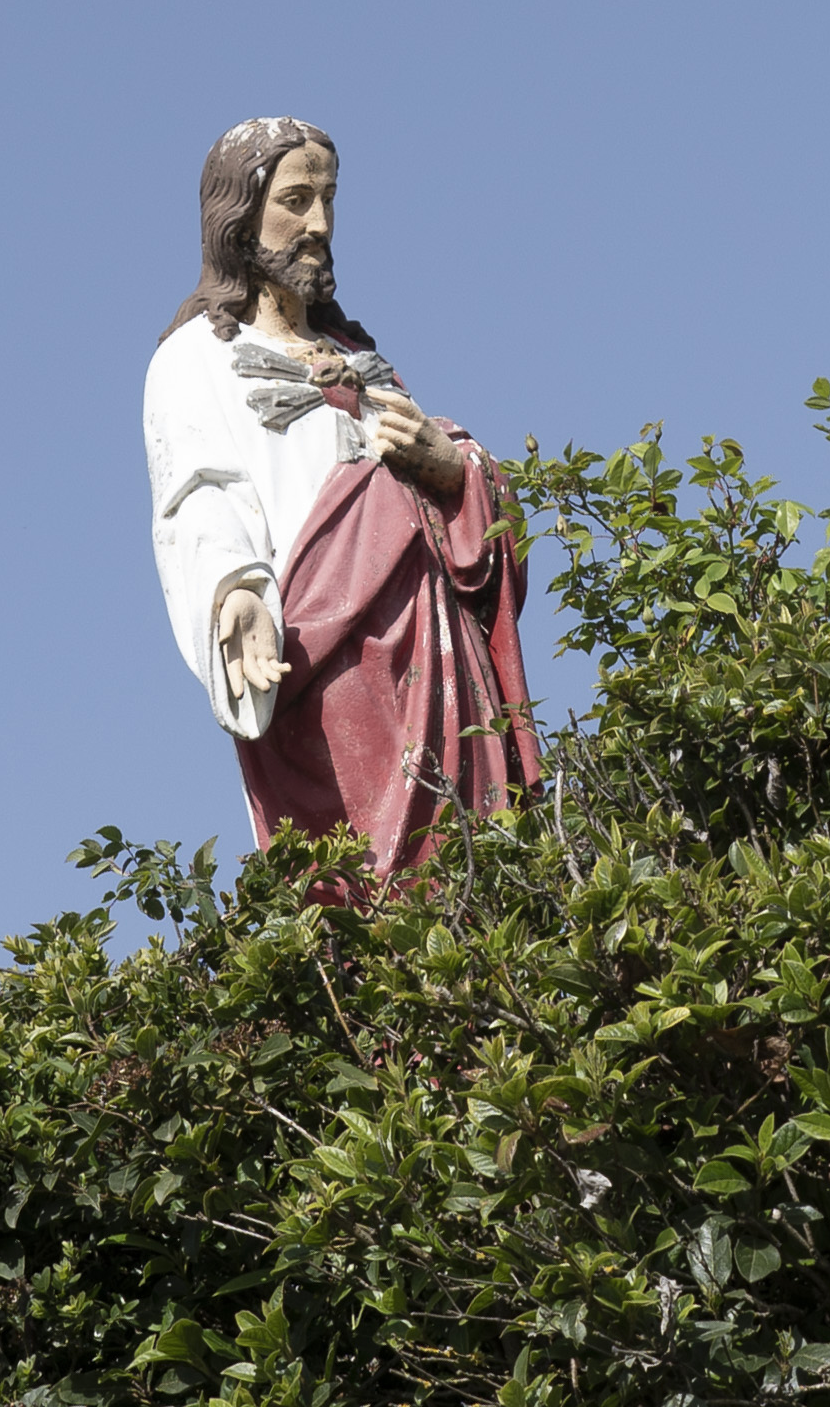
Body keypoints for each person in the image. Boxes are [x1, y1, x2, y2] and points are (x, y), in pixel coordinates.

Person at [143, 117, 539, 881]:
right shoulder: (197, 358)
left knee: (474, 868)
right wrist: (235, 593)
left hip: (436, 647)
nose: (318, 224)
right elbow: (198, 495)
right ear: (238, 215)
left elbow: (450, 481)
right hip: (322, 654)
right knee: (364, 875)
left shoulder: (364, 360)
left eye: (328, 199)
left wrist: (452, 473)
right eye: (294, 199)